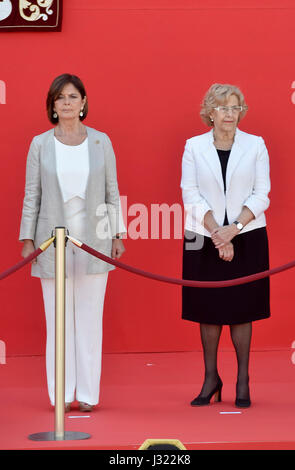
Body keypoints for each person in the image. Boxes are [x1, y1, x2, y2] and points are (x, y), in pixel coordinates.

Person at [19, 73, 126, 412]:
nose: (66, 102)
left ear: (83, 102)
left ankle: (88, 395)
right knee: (58, 320)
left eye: (72, 96)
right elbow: (32, 194)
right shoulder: (40, 144)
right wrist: (27, 239)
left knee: (91, 317)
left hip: (94, 239)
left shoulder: (101, 141)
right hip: (51, 242)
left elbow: (111, 190)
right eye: (59, 98)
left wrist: (117, 234)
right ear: (52, 105)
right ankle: (62, 395)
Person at [181, 83, 271, 408]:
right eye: (222, 108)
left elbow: (262, 194)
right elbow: (190, 194)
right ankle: (210, 378)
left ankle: (243, 380)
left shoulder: (256, 145)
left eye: (235, 108)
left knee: (242, 308)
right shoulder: (193, 146)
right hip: (200, 234)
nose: (229, 114)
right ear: (210, 112)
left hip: (247, 233)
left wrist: (232, 231)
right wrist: (216, 232)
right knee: (207, 309)